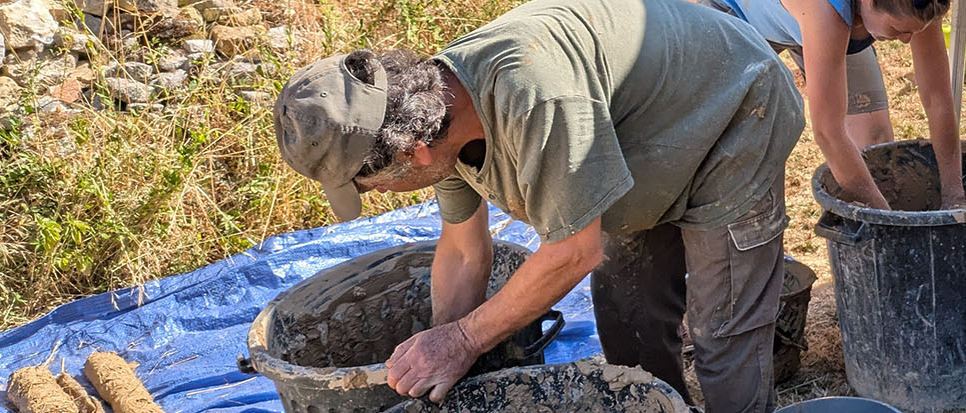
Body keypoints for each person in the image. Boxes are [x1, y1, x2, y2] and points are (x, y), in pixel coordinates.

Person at [270, 0, 804, 411]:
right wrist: (439, 358)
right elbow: (462, 253)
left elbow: (574, 251)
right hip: (642, 134)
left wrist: (462, 340)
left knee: (722, 332)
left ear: (414, 153)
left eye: (371, 185)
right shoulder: (433, 114)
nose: (376, 196)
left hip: (735, 109)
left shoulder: (533, 97)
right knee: (627, 313)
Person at [700, 0, 965, 210]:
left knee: (876, 141)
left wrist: (954, 195)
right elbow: (828, 133)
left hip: (836, 23)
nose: (907, 40)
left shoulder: (920, 5)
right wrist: (886, 221)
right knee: (745, 147)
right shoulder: (826, 14)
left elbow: (938, 99)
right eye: (898, 30)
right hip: (736, 15)